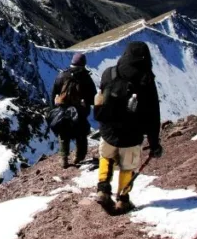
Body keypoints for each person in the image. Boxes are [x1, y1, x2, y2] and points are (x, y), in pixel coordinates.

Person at [93, 41, 162, 213]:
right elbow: (153, 114)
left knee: (106, 157)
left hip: (108, 129)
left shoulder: (109, 73)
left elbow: (102, 97)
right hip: (132, 133)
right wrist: (154, 143)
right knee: (127, 166)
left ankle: (102, 189)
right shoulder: (146, 80)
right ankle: (122, 200)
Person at [51, 52, 97, 168]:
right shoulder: (86, 78)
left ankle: (64, 159)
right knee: (81, 134)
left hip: (63, 110)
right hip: (80, 112)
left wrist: (54, 108)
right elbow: (93, 97)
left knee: (63, 134)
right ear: (83, 64)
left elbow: (54, 93)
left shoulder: (61, 76)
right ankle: (79, 157)